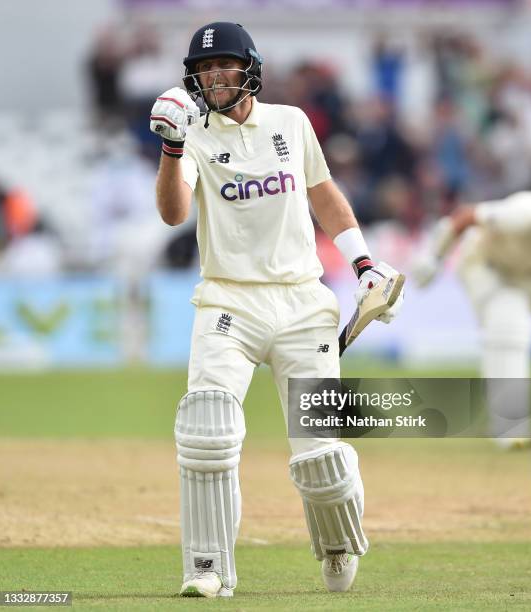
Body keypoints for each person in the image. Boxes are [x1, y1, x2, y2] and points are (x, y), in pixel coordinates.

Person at [150, 22, 404, 598]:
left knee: (320, 454)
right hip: (227, 301)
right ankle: (208, 569)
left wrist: (363, 264)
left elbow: (322, 193)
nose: (214, 75)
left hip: (301, 302)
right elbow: (172, 212)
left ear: (250, 69)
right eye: (205, 67)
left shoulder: (291, 122)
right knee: (206, 430)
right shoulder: (190, 133)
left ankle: (338, 543)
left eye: (226, 64)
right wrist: (168, 149)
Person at [412, 191, 531, 448]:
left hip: (529, 274)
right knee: (508, 326)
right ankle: (510, 432)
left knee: (510, 324)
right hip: (487, 265)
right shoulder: (525, 214)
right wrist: (435, 257)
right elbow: (466, 216)